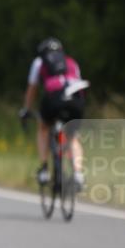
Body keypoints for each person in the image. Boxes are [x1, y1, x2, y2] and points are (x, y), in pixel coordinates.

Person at [19, 37, 86, 188]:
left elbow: (32, 89)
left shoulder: (39, 62)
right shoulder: (71, 62)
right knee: (72, 137)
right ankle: (78, 173)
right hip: (76, 99)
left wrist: (26, 109)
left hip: (54, 98)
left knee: (43, 127)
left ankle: (44, 169)